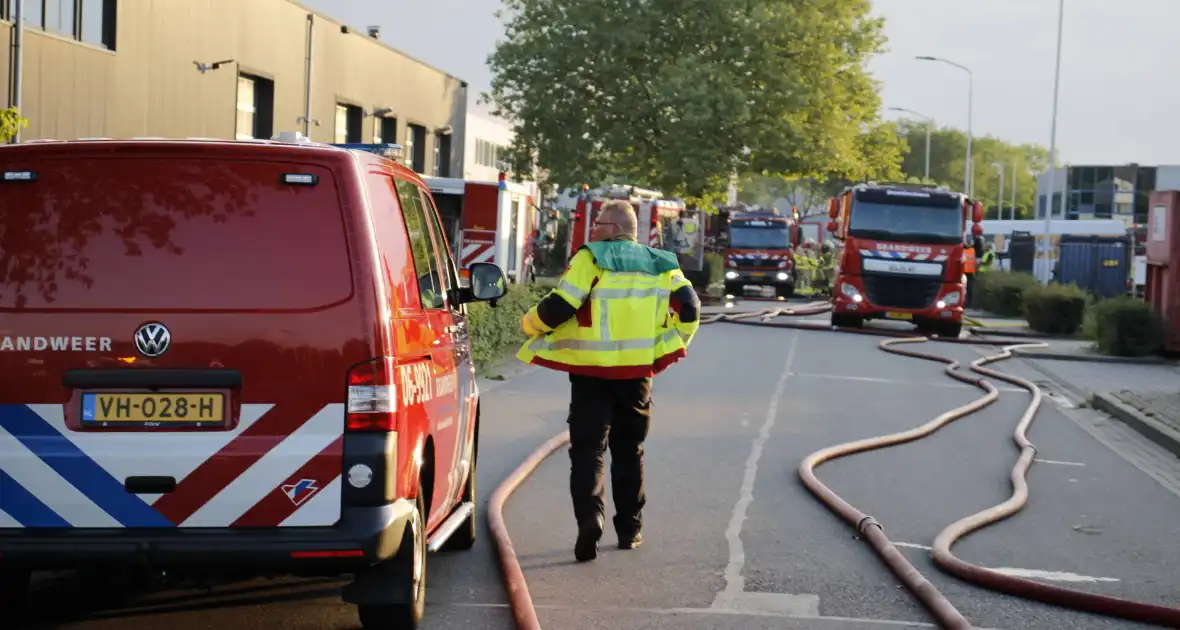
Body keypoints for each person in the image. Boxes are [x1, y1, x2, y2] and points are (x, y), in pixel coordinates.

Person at [517, 199, 702, 562]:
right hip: (636, 375)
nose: (593, 229)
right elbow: (691, 307)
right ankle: (630, 530)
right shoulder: (662, 262)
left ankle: (591, 519)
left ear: (614, 228)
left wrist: (527, 325)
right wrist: (673, 343)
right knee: (630, 451)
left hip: (590, 374)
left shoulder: (592, 257)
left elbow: (561, 304)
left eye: (599, 223)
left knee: (588, 451)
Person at [963, 236, 978, 307]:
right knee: (969, 289)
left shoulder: (963, 250)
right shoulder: (973, 250)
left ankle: (966, 302)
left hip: (964, 273)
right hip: (970, 273)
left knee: (965, 288)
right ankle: (969, 303)